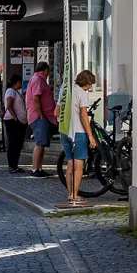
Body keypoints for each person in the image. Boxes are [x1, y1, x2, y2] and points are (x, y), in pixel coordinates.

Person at [60, 69, 98, 207]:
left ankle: (70, 195)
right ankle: (76, 196)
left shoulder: (65, 92)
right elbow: (83, 115)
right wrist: (90, 136)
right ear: (85, 83)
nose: (90, 87)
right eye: (90, 84)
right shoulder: (82, 93)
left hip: (64, 131)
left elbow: (56, 111)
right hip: (78, 132)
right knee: (79, 165)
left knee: (70, 164)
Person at [26, 61, 57, 177]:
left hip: (43, 116)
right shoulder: (38, 80)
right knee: (39, 143)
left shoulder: (38, 80)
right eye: (48, 70)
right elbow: (36, 98)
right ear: (45, 70)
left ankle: (39, 167)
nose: (48, 73)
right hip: (39, 116)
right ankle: (35, 169)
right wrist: (40, 115)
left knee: (42, 143)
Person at [2, 73, 29, 173]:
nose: (21, 83)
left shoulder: (16, 92)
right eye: (20, 82)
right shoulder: (11, 91)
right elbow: (9, 105)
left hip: (19, 121)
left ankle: (15, 165)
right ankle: (12, 165)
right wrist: (15, 118)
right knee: (13, 143)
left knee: (18, 144)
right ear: (17, 82)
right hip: (12, 121)